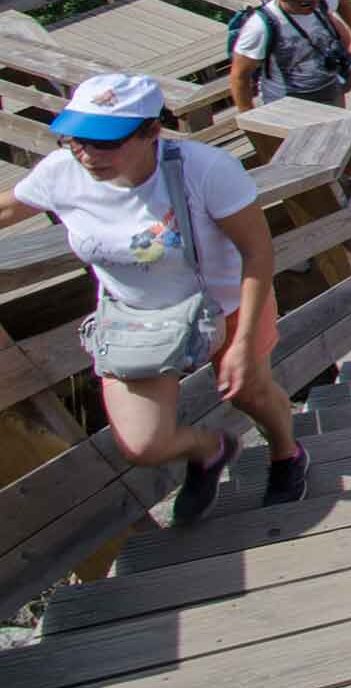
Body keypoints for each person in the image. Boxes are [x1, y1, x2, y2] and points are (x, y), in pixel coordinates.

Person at [0, 74, 309, 523]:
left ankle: (286, 455)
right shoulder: (61, 172)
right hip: (137, 317)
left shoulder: (205, 169)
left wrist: (241, 343)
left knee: (250, 392)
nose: (87, 154)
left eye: (104, 142)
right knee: (143, 446)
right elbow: (7, 208)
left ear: (151, 132)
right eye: (75, 139)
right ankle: (211, 449)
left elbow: (257, 251)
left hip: (224, 305)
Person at [228, 0, 351, 112]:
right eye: (306, 4)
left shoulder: (314, 0)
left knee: (339, 132)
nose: (315, 7)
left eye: (318, 0)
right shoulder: (260, 27)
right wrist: (249, 118)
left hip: (330, 88)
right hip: (287, 102)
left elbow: (340, 0)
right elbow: (239, 76)